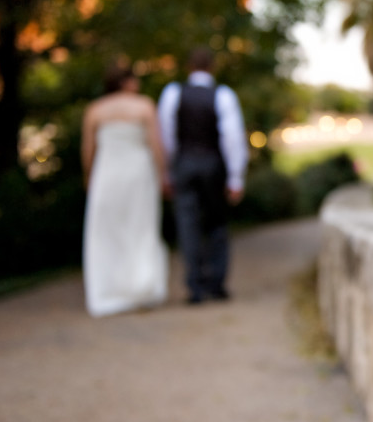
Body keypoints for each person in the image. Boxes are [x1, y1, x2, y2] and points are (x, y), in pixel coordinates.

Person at [157, 47, 248, 304]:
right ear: (212, 67)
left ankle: (195, 286)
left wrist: (168, 171)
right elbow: (232, 139)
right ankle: (216, 283)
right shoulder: (223, 95)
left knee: (188, 225)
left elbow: (167, 136)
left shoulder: (173, 94)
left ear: (189, 67)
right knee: (216, 223)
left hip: (184, 164)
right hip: (213, 164)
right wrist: (235, 177)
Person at [81, 63, 170, 317]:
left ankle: (109, 291)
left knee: (107, 233)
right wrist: (162, 174)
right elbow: (156, 146)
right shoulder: (143, 106)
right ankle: (142, 287)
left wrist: (89, 178)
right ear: (127, 82)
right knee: (140, 229)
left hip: (106, 176)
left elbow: (88, 152)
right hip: (138, 176)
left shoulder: (95, 110)